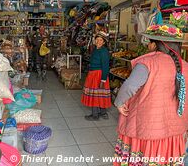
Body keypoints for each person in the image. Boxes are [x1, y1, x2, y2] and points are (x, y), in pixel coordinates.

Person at [114, 24, 188, 165]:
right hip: (176, 128)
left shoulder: (147, 63)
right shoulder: (185, 65)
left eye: (149, 42)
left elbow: (129, 86)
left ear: (154, 45)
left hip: (147, 128)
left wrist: (119, 102)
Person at [81, 32, 111, 121]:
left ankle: (95, 115)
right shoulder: (96, 49)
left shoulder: (104, 51)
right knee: (99, 94)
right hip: (93, 74)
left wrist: (103, 80)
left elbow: (105, 66)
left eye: (100, 40)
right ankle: (103, 113)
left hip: (99, 75)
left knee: (95, 94)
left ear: (104, 42)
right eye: (97, 39)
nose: (98, 41)